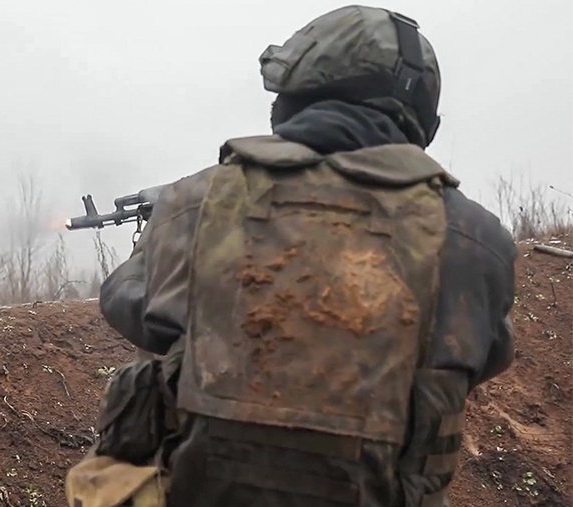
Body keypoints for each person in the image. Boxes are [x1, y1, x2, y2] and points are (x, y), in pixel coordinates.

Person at [70, 5, 517, 507]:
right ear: (421, 118)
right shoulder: (477, 240)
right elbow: (488, 353)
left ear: (296, 93)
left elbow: (126, 304)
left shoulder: (197, 203)